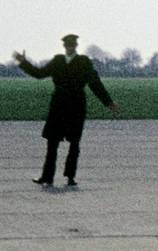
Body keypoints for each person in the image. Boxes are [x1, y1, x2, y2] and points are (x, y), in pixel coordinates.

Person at [14, 34, 120, 187]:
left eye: (72, 45)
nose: (70, 48)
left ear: (76, 46)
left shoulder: (84, 62)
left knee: (74, 143)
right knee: (52, 143)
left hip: (76, 106)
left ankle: (70, 177)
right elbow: (39, 74)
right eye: (67, 45)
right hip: (58, 105)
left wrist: (108, 102)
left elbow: (95, 84)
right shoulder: (57, 61)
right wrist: (24, 63)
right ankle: (47, 176)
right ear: (64, 46)